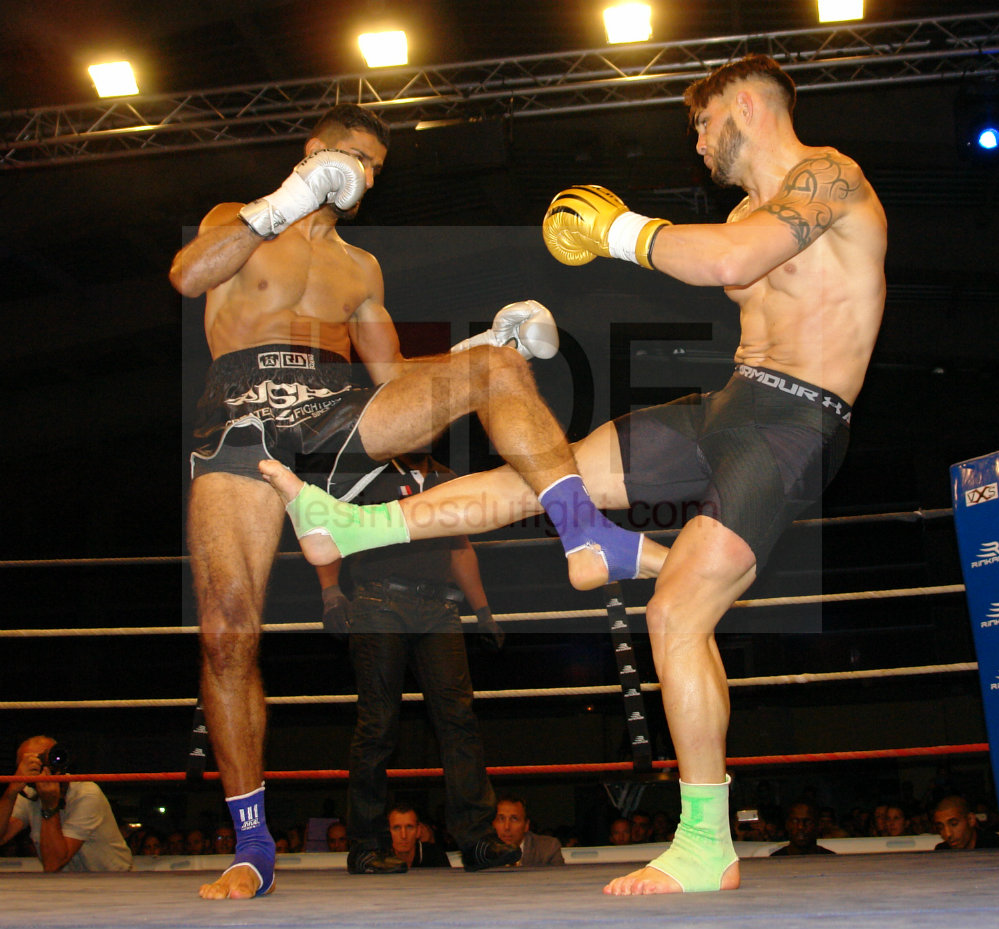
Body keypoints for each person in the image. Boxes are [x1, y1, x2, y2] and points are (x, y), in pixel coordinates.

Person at [260, 52, 886, 896]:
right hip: (731, 403)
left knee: (677, 614)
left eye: (703, 124)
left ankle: (708, 841)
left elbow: (733, 263)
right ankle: (356, 524)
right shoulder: (746, 208)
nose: (699, 143)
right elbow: (728, 250)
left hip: (795, 423)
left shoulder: (832, 178)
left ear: (745, 104)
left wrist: (617, 231)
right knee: (550, 474)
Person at [169, 102, 660, 900]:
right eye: (353, 156)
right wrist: (289, 198)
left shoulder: (361, 268)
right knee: (227, 631)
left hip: (334, 409)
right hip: (239, 412)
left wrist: (482, 344)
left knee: (499, 369)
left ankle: (583, 529)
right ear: (314, 149)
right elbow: (188, 276)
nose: (363, 176)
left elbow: (392, 376)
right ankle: (252, 842)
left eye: (374, 167)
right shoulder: (241, 218)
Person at [331, 453, 518, 874]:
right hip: (379, 600)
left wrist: (483, 611)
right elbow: (329, 528)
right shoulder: (367, 473)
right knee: (378, 723)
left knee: (459, 718)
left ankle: (477, 840)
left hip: (439, 607)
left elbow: (460, 547)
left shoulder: (446, 478)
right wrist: (331, 591)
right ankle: (366, 844)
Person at [0, 736, 132, 872]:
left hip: (113, 879)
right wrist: (12, 790)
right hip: (69, 881)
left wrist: (49, 806)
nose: (44, 765)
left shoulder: (86, 793)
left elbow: (53, 863)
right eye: (31, 762)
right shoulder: (29, 793)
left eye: (49, 757)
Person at [493, 795, 564, 866]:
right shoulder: (486, 851)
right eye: (501, 819)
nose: (507, 827)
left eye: (514, 819)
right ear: (493, 824)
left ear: (526, 825)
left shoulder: (548, 848)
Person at [388, 804, 451, 868]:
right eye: (396, 828)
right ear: (389, 832)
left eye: (409, 827)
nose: (403, 835)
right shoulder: (382, 857)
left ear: (418, 831)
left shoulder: (435, 855)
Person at [932, 795, 999, 850]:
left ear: (970, 820)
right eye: (940, 828)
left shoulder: (994, 846)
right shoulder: (942, 851)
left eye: (954, 824)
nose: (948, 834)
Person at [769, 801, 836, 857]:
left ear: (818, 825)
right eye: (795, 821)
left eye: (807, 821)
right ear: (787, 824)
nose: (800, 827)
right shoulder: (775, 860)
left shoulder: (831, 859)